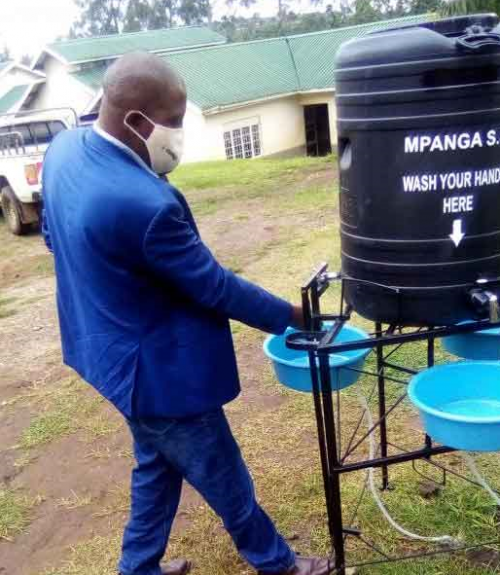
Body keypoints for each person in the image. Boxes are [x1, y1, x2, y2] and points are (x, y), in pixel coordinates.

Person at [42, 52, 332, 575]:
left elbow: (51, 234)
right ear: (136, 120)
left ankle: (138, 569)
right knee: (222, 471)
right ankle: (279, 564)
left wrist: (108, 277)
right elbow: (214, 286)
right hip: (155, 373)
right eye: (173, 121)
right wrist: (296, 315)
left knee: (157, 465)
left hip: (105, 353)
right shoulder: (145, 205)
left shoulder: (64, 150)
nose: (179, 132)